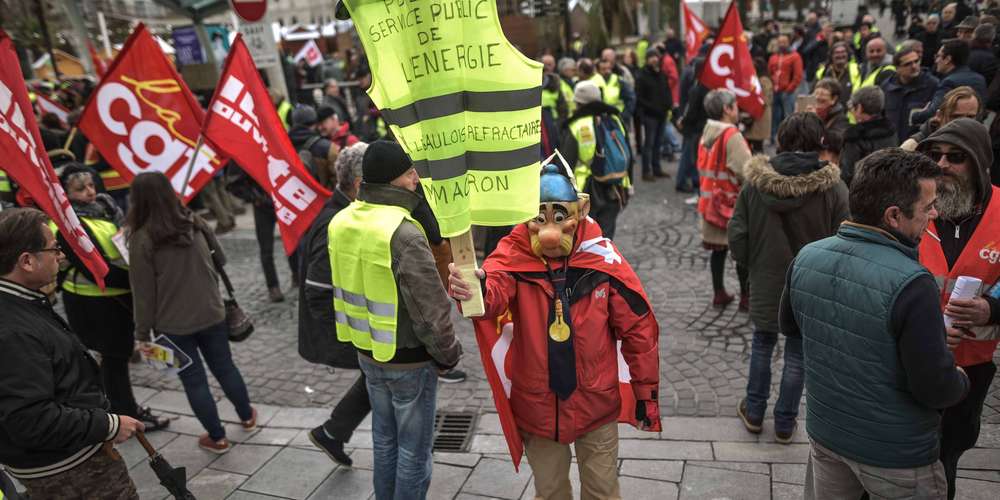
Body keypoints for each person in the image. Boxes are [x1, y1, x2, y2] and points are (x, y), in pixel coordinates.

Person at [447, 164, 660, 500]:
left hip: (596, 403)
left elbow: (639, 329)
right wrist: (475, 288)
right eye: (538, 218)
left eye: (559, 217)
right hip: (538, 406)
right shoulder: (514, 254)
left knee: (603, 492)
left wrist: (646, 392)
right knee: (550, 493)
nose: (548, 231)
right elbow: (493, 288)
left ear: (581, 210)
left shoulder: (602, 260)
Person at [781, 148, 970, 499]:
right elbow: (934, 387)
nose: (935, 214)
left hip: (828, 435)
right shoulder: (913, 283)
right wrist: (960, 380)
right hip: (895, 455)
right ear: (894, 215)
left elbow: (795, 329)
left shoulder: (806, 257)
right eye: (928, 207)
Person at [329, 140, 462, 499]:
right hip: (409, 361)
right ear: (392, 181)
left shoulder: (342, 221)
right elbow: (430, 309)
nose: (416, 178)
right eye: (409, 173)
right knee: (414, 452)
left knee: (384, 441)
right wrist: (448, 354)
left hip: (368, 351)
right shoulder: (403, 232)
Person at [0, 208, 143, 498]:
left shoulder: (19, 304)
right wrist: (109, 424)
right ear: (27, 261)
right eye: (53, 248)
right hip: (70, 472)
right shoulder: (13, 330)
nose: (61, 256)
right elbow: (31, 419)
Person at [730, 114, 849, 446]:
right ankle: (785, 421)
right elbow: (846, 238)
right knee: (797, 352)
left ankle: (754, 412)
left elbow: (737, 234)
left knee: (762, 343)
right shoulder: (834, 188)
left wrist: (750, 267)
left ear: (780, 140)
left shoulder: (754, 184)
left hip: (767, 279)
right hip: (813, 283)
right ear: (818, 144)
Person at [127, 172, 257, 454]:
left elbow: (143, 293)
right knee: (225, 367)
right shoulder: (194, 221)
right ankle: (247, 417)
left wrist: (141, 333)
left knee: (193, 380)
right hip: (212, 312)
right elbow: (220, 259)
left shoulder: (141, 238)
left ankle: (217, 437)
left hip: (172, 325)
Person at [915, 118, 1000, 499]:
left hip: (972, 367)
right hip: (911, 361)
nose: (943, 164)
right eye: (935, 156)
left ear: (980, 163)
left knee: (947, 457)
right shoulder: (911, 205)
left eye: (956, 157)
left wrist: (992, 308)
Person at [55, 164, 170, 434]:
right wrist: (140, 280)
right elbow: (99, 271)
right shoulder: (71, 225)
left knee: (115, 358)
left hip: (118, 300)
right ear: (67, 193)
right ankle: (127, 413)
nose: (90, 192)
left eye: (91, 185)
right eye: (80, 189)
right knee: (114, 358)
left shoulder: (108, 210)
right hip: (95, 303)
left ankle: (117, 408)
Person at [299, 143, 369, 467]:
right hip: (345, 328)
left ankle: (332, 432)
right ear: (358, 185)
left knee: (377, 376)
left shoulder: (347, 213)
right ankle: (333, 432)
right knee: (380, 374)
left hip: (355, 324)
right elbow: (317, 290)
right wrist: (346, 334)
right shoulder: (335, 221)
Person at [697, 89, 751, 308]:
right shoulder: (731, 135)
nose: (738, 109)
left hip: (709, 202)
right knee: (742, 251)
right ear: (727, 109)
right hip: (730, 204)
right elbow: (746, 170)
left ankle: (719, 292)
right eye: (735, 105)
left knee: (718, 250)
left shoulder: (707, 132)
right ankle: (746, 298)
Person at [560, 80, 631, 239]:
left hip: (586, 190)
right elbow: (628, 152)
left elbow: (565, 164)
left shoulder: (577, 125)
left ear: (578, 103)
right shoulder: (615, 119)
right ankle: (605, 262)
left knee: (585, 238)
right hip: (615, 186)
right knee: (606, 237)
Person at [912, 38, 987, 125]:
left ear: (947, 59)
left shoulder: (949, 82)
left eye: (938, 56)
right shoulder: (980, 79)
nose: (936, 61)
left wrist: (914, 116)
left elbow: (934, 113)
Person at [839, 87, 899, 186]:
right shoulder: (891, 131)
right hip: (889, 189)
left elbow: (847, 174)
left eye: (853, 107)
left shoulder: (854, 137)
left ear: (859, 108)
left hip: (861, 194)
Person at [882, 45, 940, 143]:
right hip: (892, 146)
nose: (914, 66)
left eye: (916, 61)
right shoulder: (887, 87)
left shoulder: (933, 85)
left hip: (918, 145)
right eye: (907, 64)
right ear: (897, 68)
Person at [904, 85, 982, 149]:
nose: (964, 123)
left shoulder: (978, 146)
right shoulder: (913, 147)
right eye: (956, 117)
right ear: (939, 116)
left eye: (970, 117)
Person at [635, 50, 672, 181]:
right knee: (649, 144)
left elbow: (667, 91)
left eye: (655, 57)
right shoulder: (642, 76)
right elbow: (639, 98)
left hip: (662, 115)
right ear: (646, 60)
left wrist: (669, 104)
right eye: (651, 57)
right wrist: (652, 108)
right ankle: (646, 171)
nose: (654, 59)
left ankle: (657, 169)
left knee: (658, 143)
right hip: (650, 115)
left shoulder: (661, 74)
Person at [288, 105, 340, 189]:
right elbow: (340, 181)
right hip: (325, 199)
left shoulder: (286, 147)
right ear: (314, 123)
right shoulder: (327, 147)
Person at [768, 35, 804, 143]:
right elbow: (770, 72)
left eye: (784, 42)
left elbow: (798, 75)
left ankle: (789, 138)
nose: (782, 44)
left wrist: (789, 89)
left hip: (787, 92)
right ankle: (773, 138)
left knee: (788, 116)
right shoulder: (773, 57)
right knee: (775, 116)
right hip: (775, 91)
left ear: (788, 43)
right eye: (780, 42)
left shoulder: (795, 56)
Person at [812, 78, 850, 151]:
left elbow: (836, 142)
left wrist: (814, 121)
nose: (817, 97)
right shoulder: (809, 114)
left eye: (822, 95)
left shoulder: (841, 119)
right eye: (816, 94)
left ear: (834, 99)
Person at [745, 58, 773, 154]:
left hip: (760, 116)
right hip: (754, 115)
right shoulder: (755, 79)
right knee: (750, 142)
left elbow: (765, 99)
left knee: (757, 144)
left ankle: (759, 165)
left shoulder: (764, 80)